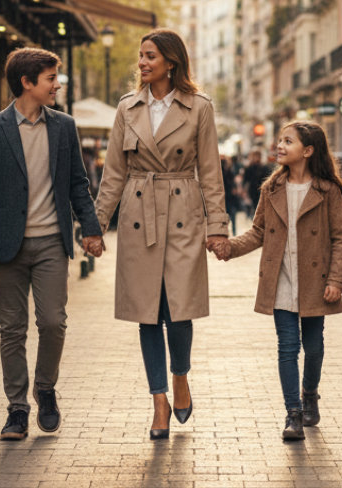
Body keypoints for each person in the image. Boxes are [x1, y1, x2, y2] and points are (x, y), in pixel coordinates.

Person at [94, 28, 229, 440]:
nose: (142, 62)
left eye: (150, 55)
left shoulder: (199, 107)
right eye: (140, 56)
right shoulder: (127, 108)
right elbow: (113, 172)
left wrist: (218, 227)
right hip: (139, 211)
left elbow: (210, 172)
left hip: (183, 211)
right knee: (146, 312)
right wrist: (96, 225)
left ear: (171, 61)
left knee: (179, 308)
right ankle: (158, 400)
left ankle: (181, 375)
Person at [0, 48, 104, 442]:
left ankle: (45, 388)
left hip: (50, 243)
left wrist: (90, 230)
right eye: (50, 79)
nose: (57, 85)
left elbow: (79, 183)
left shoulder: (63, 126)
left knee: (52, 322)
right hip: (6, 247)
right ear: (27, 83)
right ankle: (17, 410)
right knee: (12, 329)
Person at [211, 120, 342, 440]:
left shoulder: (327, 191)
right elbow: (258, 232)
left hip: (317, 282)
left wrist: (336, 279)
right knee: (288, 348)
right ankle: (293, 413)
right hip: (281, 281)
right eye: (280, 141)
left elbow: (341, 238)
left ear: (308, 151)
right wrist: (229, 248)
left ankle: (310, 393)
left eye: (288, 141)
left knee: (313, 348)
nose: (280, 146)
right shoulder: (271, 189)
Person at [241, 148, 272, 216]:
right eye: (255, 156)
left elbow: (268, 178)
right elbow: (245, 179)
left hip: (263, 190)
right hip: (253, 191)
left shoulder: (264, 167)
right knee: (256, 207)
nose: (256, 158)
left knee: (262, 207)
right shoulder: (249, 167)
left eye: (257, 156)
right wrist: (244, 190)